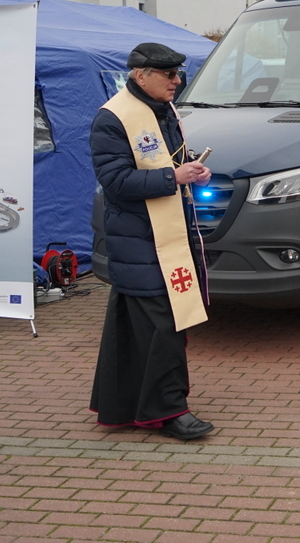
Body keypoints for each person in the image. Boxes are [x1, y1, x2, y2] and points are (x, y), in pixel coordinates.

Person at [89, 42, 215, 440]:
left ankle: (123, 404)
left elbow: (167, 159)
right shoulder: (113, 117)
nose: (177, 81)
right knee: (164, 325)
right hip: (141, 240)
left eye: (179, 74)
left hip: (165, 236)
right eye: (170, 74)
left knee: (134, 330)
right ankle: (169, 411)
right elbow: (115, 180)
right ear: (141, 76)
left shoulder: (163, 109)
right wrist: (172, 178)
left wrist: (190, 168)